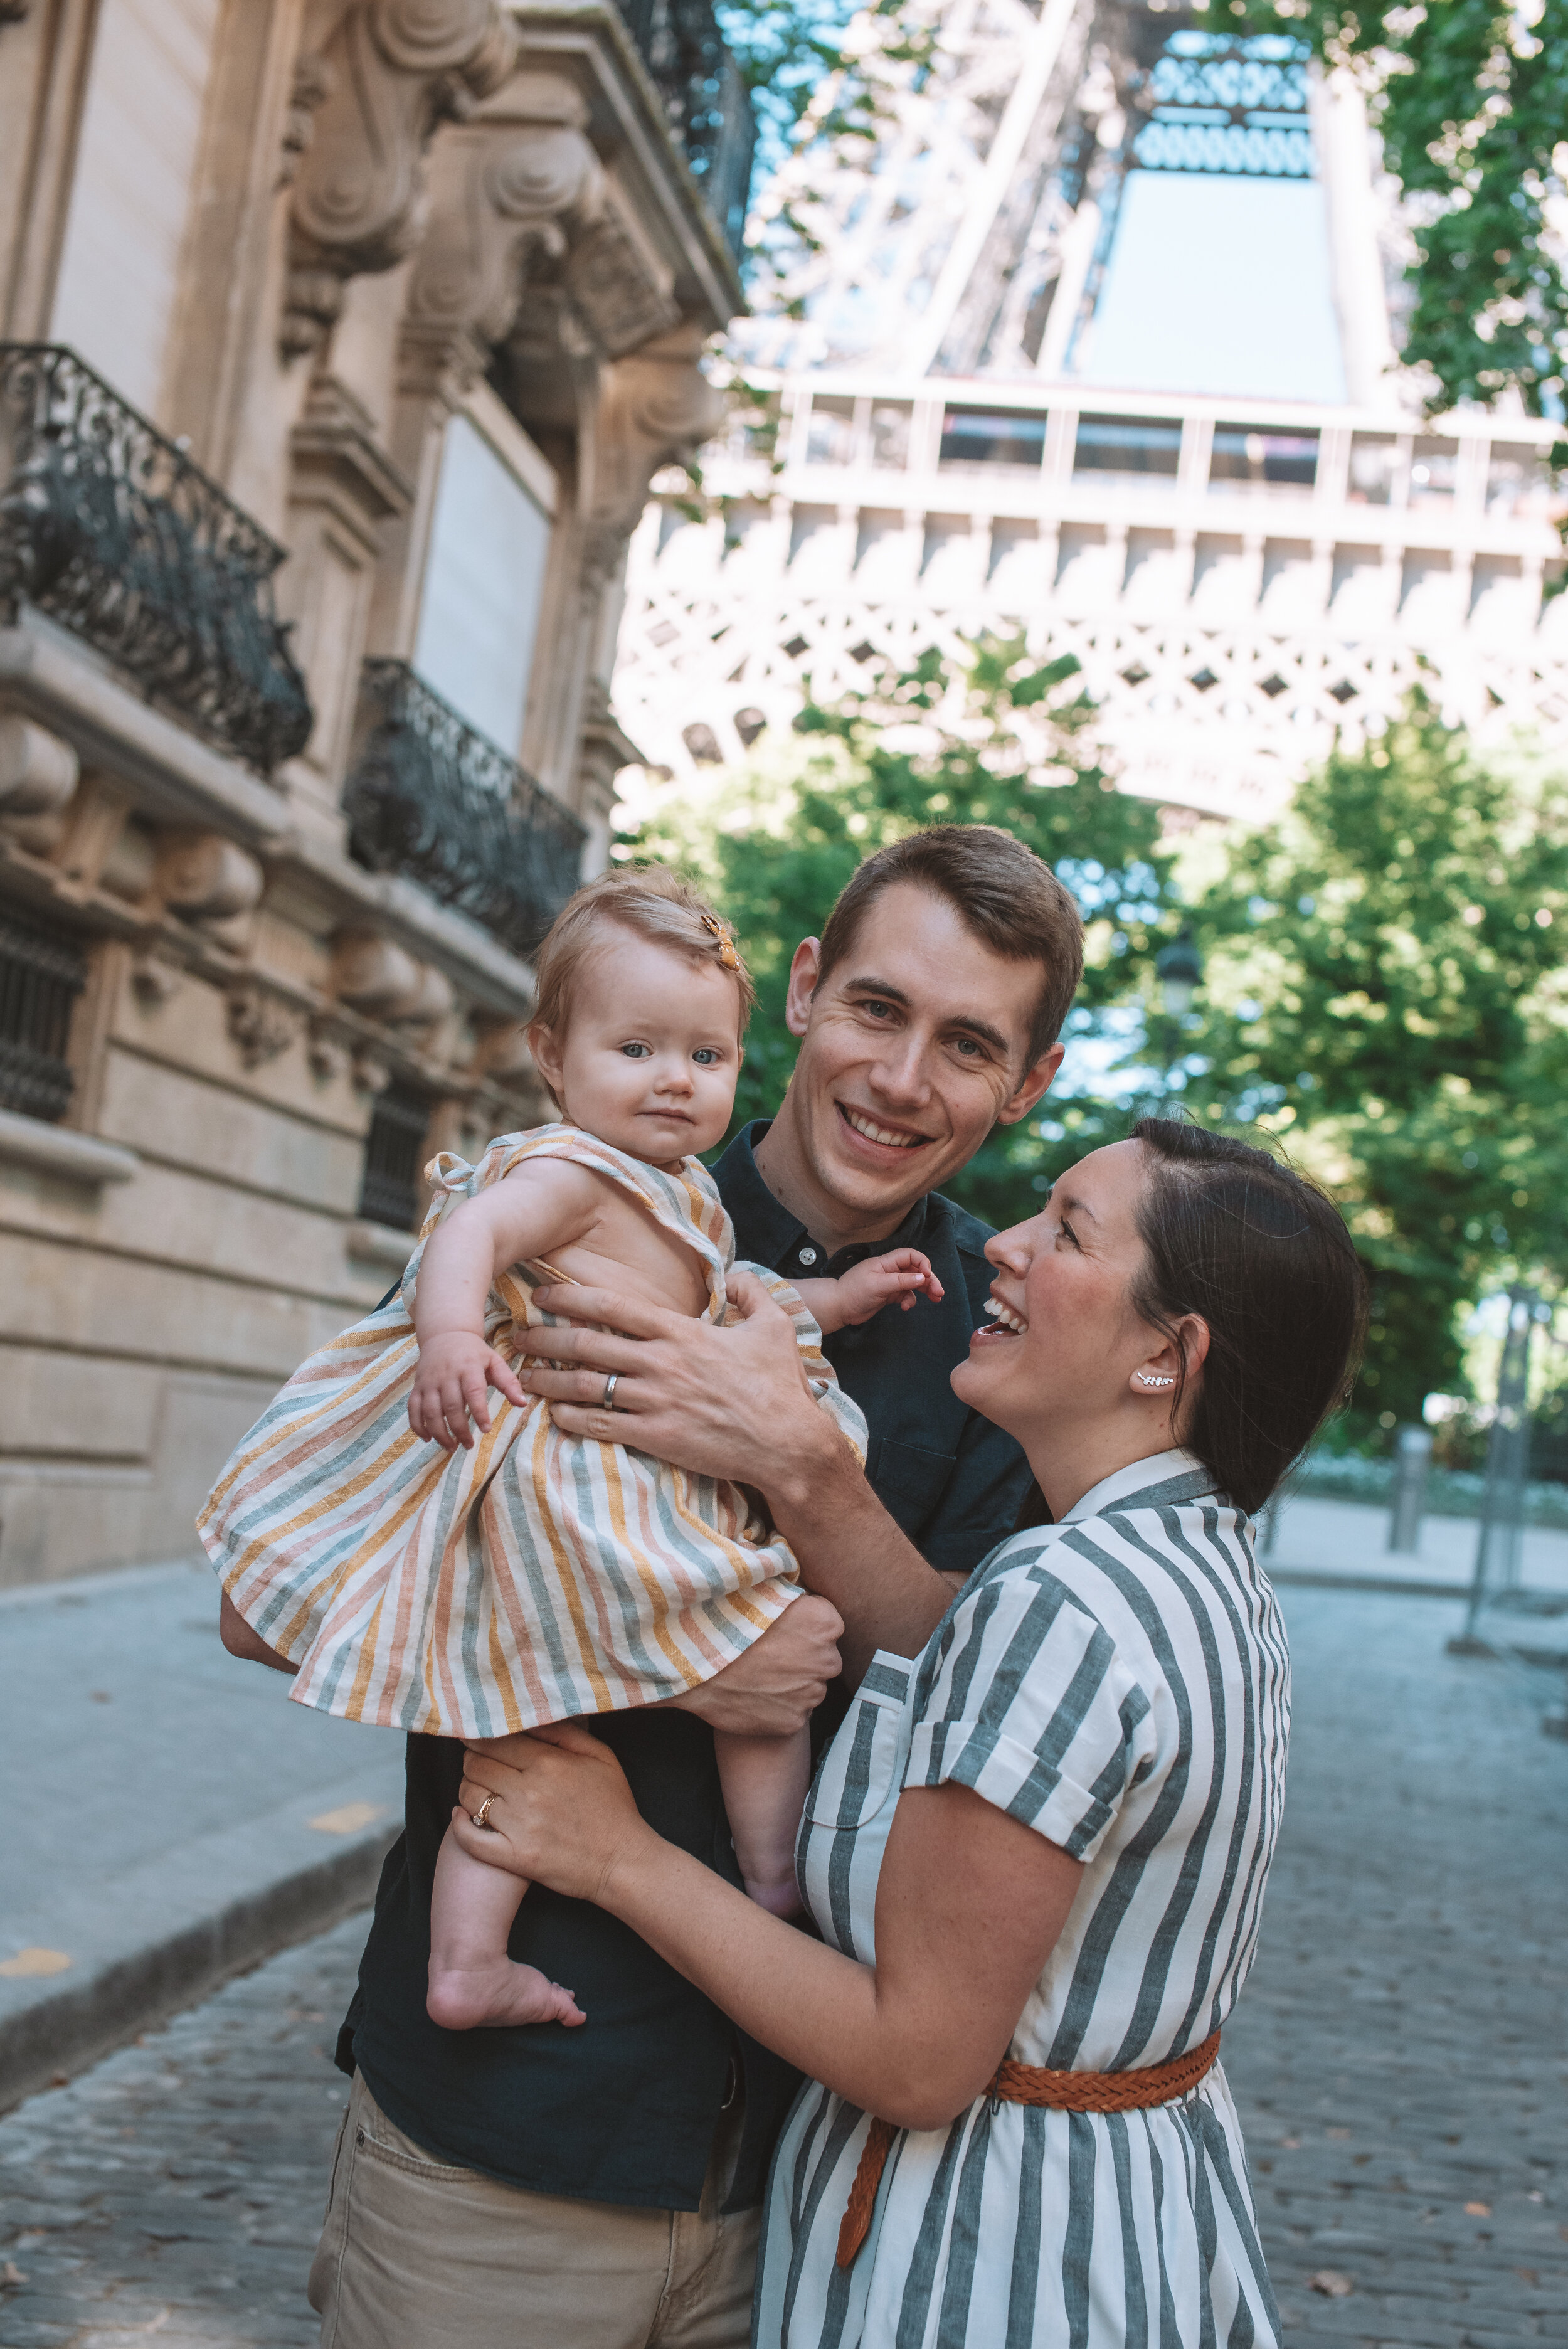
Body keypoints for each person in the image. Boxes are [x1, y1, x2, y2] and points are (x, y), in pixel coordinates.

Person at [228, 824, 1081, 2347]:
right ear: (808, 989)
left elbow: (1003, 1695)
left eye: (966, 1045)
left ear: (1025, 1082)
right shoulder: (577, 1207)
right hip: (502, 2156)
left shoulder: (1002, 1336)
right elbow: (271, 1593)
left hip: (821, 2191)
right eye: (878, 1009)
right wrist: (677, 1665)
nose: (900, 1079)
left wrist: (802, 1469)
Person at [450, 1120, 1369, 2349]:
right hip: (1130, 2223)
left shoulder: (1059, 1597)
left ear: (1163, 1354)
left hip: (989, 2264)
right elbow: (959, 1652)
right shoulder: (1195, 1566)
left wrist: (614, 1852)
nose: (1005, 1245)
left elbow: (916, 2061)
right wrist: (796, 1464)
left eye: (1065, 1230)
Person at [201, 867, 929, 2026]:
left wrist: (837, 1303)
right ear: (552, 1054)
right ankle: (742, 1886)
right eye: (636, 1048)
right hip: (574, 1493)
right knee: (712, 1678)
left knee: (579, 1728)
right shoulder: (567, 1168)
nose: (675, 1081)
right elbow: (473, 1234)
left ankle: (596, 1927)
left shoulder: (683, 1193)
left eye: (704, 1056)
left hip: (626, 1503)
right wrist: (449, 1335)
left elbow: (735, 1302)